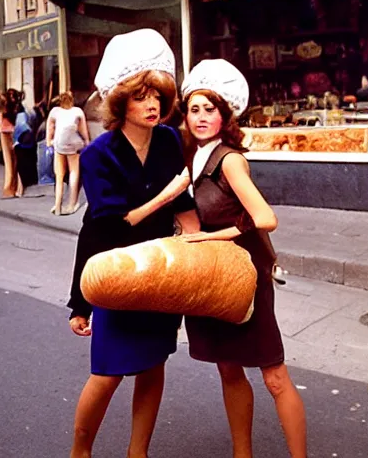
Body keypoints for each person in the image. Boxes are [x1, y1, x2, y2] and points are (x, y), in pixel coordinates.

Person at [67, 28, 198, 458]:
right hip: (117, 270)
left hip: (160, 272)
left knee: (153, 363)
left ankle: (137, 452)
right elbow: (109, 225)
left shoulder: (168, 140)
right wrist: (80, 303)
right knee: (107, 371)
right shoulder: (96, 155)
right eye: (142, 96)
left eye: (158, 95)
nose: (153, 105)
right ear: (121, 102)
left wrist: (202, 250)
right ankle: (80, 451)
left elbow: (186, 208)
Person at [178, 59, 307, 458]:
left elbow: (265, 218)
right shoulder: (190, 160)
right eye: (194, 109)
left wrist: (206, 237)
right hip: (211, 276)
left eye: (210, 109)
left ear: (224, 114)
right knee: (228, 368)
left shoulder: (230, 160)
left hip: (246, 276)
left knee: (273, 375)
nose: (201, 117)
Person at [46, 90, 89, 215]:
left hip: (59, 144)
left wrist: (49, 141)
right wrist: (87, 141)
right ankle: (72, 204)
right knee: (74, 172)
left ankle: (58, 205)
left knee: (59, 175)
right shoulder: (77, 111)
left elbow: (50, 128)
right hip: (73, 144)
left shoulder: (55, 112)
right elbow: (83, 130)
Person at [0, 91, 18, 198]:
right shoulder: (11, 112)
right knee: (14, 162)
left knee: (9, 163)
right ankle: (12, 188)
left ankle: (9, 188)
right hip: (11, 130)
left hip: (5, 131)